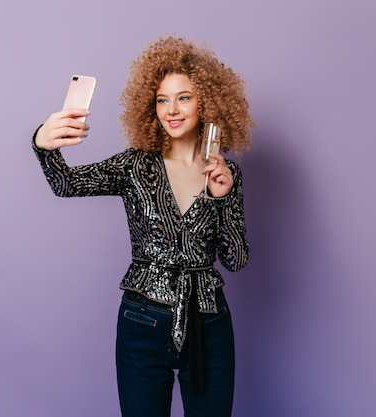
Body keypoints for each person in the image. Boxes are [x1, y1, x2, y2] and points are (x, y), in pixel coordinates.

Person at [32, 36, 252, 417]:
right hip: (142, 321)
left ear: (208, 102)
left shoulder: (225, 173)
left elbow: (235, 260)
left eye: (183, 97)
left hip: (209, 324)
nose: (172, 109)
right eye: (162, 99)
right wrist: (43, 143)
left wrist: (222, 198)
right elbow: (67, 184)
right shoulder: (135, 166)